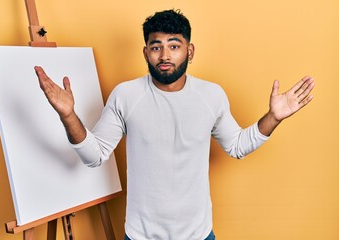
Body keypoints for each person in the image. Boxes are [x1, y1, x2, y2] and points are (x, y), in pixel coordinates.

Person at [34, 9, 314, 240]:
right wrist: (68, 115)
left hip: (198, 235)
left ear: (189, 51)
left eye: (174, 46)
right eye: (156, 47)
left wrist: (273, 117)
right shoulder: (126, 95)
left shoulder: (211, 95)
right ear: (146, 53)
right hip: (141, 236)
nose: (165, 56)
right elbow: (94, 156)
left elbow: (238, 146)